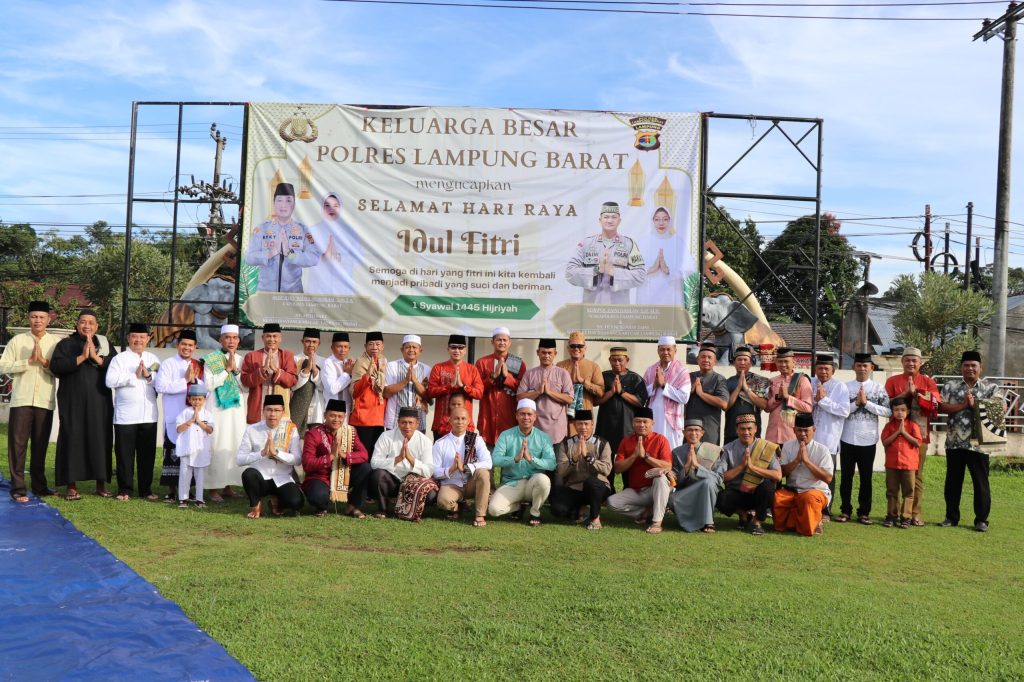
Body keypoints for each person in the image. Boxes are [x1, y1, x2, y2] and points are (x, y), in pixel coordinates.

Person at [50, 309, 116, 500]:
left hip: (100, 400)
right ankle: (71, 485)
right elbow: (56, 367)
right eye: (83, 322)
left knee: (100, 438)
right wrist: (81, 357)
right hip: (72, 400)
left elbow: (115, 367)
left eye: (91, 323)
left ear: (97, 326)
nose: (86, 326)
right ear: (77, 324)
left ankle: (101, 483)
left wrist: (95, 357)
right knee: (72, 437)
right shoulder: (66, 344)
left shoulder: (104, 343)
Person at [0, 301, 58, 502]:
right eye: (34, 316)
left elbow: (59, 370)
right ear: (28, 318)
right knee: (17, 445)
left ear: (48, 319)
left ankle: (40, 486)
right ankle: (18, 488)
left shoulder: (55, 342)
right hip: (21, 400)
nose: (38, 320)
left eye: (42, 317)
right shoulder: (17, 341)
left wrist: (43, 362)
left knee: (40, 444)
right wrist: (28, 362)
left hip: (44, 400)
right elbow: (3, 366)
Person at [938, 350, 1002, 532]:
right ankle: (951, 517)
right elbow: (942, 406)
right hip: (954, 441)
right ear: (961, 367)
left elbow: (1000, 406)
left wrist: (975, 405)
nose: (970, 368)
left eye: (974, 365)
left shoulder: (991, 388)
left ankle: (981, 520)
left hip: (979, 445)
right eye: (966, 365)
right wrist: (963, 406)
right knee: (952, 481)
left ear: (980, 368)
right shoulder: (950, 386)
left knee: (981, 482)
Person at [884, 346, 939, 527]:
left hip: (919, 437)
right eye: (907, 360)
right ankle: (892, 514)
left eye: (914, 360)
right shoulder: (893, 380)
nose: (911, 363)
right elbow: (886, 405)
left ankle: (914, 514)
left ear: (920, 363)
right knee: (893, 477)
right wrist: (905, 394)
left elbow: (936, 403)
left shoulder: (927, 382)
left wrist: (917, 394)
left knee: (917, 475)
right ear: (902, 362)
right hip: (894, 437)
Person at [104, 322, 160, 501]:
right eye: (135, 337)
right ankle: (125, 490)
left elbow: (160, 382)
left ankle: (146, 489)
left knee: (147, 455)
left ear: (147, 339)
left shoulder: (154, 359)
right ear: (128, 338)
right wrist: (133, 376)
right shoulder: (119, 359)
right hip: (125, 416)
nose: (138, 340)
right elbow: (109, 380)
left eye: (142, 337)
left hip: (149, 415)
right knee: (124, 455)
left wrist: (149, 375)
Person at [837, 352, 890, 524]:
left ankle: (864, 512)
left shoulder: (878, 388)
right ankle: (845, 510)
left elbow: (888, 411)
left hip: (868, 439)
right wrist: (856, 404)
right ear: (853, 367)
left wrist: (867, 403)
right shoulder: (844, 387)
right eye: (858, 365)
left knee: (866, 477)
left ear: (871, 368)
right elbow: (841, 410)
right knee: (846, 476)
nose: (862, 369)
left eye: (865, 366)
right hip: (847, 438)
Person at [489, 399, 557, 526]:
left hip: (533, 482)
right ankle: (518, 507)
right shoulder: (506, 435)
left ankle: (535, 512)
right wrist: (514, 459)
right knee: (494, 510)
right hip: (512, 482)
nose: (526, 417)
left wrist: (532, 459)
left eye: (529, 414)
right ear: (516, 416)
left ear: (535, 417)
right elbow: (495, 460)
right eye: (522, 414)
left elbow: (552, 464)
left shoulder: (543, 438)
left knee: (543, 480)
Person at [155, 329, 205, 502]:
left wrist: (194, 381)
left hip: (192, 416)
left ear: (195, 347)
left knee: (190, 451)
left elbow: (203, 390)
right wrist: (184, 380)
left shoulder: (198, 365)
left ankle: (187, 490)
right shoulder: (168, 364)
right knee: (173, 452)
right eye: (184, 344)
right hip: (174, 414)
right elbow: (161, 387)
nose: (187, 348)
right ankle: (171, 489)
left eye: (190, 345)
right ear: (178, 345)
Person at [606, 407, 672, 534]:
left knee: (661, 478)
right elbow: (618, 468)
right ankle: (646, 512)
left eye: (645, 422)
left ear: (652, 424)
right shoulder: (626, 441)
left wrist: (645, 457)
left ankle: (656, 523)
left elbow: (667, 466)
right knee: (612, 503)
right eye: (638, 421)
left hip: (656, 489)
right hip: (637, 491)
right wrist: (634, 456)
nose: (641, 425)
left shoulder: (660, 440)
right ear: (632, 423)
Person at [565, 201, 646, 304]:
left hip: (619, 312)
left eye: (614, 217)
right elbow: (569, 273)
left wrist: (613, 271)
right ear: (600, 220)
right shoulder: (586, 244)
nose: (610, 220)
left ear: (619, 221)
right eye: (606, 217)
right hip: (591, 310)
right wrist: (597, 270)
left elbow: (640, 275)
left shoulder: (629, 244)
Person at [201, 324, 247, 503]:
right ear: (220, 340)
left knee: (234, 443)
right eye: (227, 337)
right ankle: (213, 488)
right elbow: (208, 385)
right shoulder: (211, 359)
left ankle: (228, 486)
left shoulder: (242, 359)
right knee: (217, 444)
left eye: (234, 338)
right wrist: (226, 369)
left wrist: (235, 371)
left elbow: (245, 386)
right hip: (217, 409)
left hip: (236, 410)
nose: (231, 341)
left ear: (239, 340)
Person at [236, 394, 303, 518]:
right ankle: (255, 505)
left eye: (277, 410)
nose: (272, 414)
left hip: (282, 478)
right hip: (262, 479)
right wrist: (261, 453)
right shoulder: (252, 429)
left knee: (296, 503)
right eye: (269, 410)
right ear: (263, 411)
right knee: (248, 474)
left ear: (283, 412)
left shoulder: (291, 429)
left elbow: (297, 460)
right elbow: (239, 460)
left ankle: (275, 502)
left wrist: (277, 454)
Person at [714, 413, 781, 536]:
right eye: (742, 429)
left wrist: (752, 468)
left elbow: (777, 476)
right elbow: (721, 477)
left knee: (768, 486)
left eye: (749, 429)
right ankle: (744, 515)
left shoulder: (766, 447)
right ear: (737, 430)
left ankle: (757, 522)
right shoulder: (728, 449)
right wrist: (741, 467)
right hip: (737, 493)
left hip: (757, 492)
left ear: (756, 429)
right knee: (718, 496)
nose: (746, 432)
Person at [245, 182, 319, 293]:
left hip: (293, 295)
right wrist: (271, 252)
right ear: (274, 203)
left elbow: (314, 257)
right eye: (279, 200)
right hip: (265, 293)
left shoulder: (303, 230)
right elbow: (249, 258)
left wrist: (290, 254)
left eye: (288, 200)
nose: (283, 205)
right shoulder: (261, 229)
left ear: (294, 204)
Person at [301, 399, 369, 518]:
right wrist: (331, 456)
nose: (336, 420)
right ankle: (322, 506)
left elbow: (364, 454)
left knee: (365, 468)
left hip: (343, 473)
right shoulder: (313, 434)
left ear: (344, 417)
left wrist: (345, 455)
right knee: (317, 497)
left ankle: (353, 506)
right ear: (325, 415)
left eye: (340, 416)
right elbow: (307, 464)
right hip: (321, 477)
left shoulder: (350, 432)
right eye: (332, 416)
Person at [594, 346, 648, 487]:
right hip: (606, 425)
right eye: (614, 360)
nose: (617, 363)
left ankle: (628, 489)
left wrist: (622, 392)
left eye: (620, 360)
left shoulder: (635, 378)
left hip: (627, 426)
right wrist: (611, 392)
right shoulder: (603, 377)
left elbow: (640, 402)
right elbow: (595, 401)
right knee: (607, 457)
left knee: (628, 457)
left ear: (627, 360)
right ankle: (607, 489)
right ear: (609, 360)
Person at [774, 412, 834, 537]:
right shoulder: (787, 446)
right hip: (792, 491)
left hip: (815, 491)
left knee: (807, 499)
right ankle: (810, 520)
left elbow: (828, 478)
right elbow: (781, 474)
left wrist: (807, 461)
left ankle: (813, 520)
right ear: (794, 430)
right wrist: (796, 461)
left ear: (814, 430)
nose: (802, 434)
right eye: (799, 430)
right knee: (778, 498)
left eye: (806, 431)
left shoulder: (822, 450)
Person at [551, 410, 613, 530]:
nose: (583, 427)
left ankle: (595, 518)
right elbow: (561, 471)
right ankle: (581, 508)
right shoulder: (566, 444)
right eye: (580, 424)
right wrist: (574, 459)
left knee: (591, 482)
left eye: (586, 424)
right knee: (557, 509)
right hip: (575, 487)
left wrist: (588, 457)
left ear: (592, 424)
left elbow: (607, 470)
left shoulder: (603, 443)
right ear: (574, 425)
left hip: (598, 487)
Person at [369, 407, 434, 518]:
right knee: (378, 475)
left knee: (431, 495)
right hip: (392, 481)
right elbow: (374, 462)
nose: (407, 426)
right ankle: (383, 509)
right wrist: (397, 459)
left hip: (412, 482)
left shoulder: (425, 441)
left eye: (410, 423)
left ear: (417, 424)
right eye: (403, 422)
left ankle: (412, 509)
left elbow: (429, 471)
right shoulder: (386, 436)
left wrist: (411, 459)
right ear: (398, 422)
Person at [432, 407, 492, 527]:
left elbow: (488, 462)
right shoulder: (440, 443)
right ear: (450, 420)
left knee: (484, 473)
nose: (460, 422)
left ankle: (480, 514)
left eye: (463, 419)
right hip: (452, 484)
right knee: (443, 502)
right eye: (456, 418)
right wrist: (451, 469)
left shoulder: (476, 440)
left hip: (471, 482)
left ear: (468, 421)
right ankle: (456, 508)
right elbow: (434, 471)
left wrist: (466, 467)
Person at [810, 354, 850, 518]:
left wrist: (823, 400)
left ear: (833, 370)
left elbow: (844, 411)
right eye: (820, 368)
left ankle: (826, 509)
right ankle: (809, 505)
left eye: (826, 369)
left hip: (828, 438)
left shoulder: (840, 387)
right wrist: (814, 400)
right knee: (807, 473)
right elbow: (804, 404)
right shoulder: (810, 382)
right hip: (809, 437)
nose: (823, 372)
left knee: (828, 476)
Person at [302, 191, 363, 296]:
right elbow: (303, 258)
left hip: (342, 289)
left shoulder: (350, 233)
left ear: (341, 208)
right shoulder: (312, 231)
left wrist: (340, 258)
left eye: (335, 205)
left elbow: (359, 258)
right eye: (327, 205)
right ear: (321, 208)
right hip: (318, 288)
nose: (331, 209)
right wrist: (322, 258)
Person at [516, 339, 574, 447]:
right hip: (535, 426)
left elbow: (569, 399)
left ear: (555, 354)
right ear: (538, 352)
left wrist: (549, 392)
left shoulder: (563, 373)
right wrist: (537, 392)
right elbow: (519, 397)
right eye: (543, 352)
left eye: (549, 353)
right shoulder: (530, 373)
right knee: (535, 462)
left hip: (557, 428)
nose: (546, 356)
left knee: (556, 462)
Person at [668, 420, 723, 533]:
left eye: (696, 430)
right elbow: (676, 483)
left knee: (708, 483)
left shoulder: (713, 450)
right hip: (688, 491)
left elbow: (718, 479)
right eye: (690, 430)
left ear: (702, 432)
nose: (693, 433)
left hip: (707, 490)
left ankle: (709, 522)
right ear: (684, 432)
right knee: (672, 500)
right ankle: (695, 522)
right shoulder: (676, 452)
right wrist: (687, 467)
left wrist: (697, 466)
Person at [427, 334, 484, 440]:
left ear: (465, 350)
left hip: (466, 426)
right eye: (453, 347)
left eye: (460, 347)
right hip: (442, 425)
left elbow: (479, 393)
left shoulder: (472, 370)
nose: (457, 350)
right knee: (441, 456)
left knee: (466, 456)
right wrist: (449, 386)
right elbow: (430, 391)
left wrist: (464, 387)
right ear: (448, 349)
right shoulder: (438, 368)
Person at [475, 326, 525, 447]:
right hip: (488, 414)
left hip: (509, 415)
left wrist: (507, 377)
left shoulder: (518, 362)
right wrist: (493, 377)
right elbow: (478, 390)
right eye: (498, 340)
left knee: (509, 453)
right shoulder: (482, 362)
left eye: (504, 340)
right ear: (492, 342)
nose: (502, 343)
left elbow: (523, 390)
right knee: (488, 457)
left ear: (510, 342)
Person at [240, 323, 298, 424]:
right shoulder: (251, 356)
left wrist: (276, 370)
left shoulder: (287, 356)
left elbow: (292, 380)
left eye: (275, 336)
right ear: (263, 338)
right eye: (268, 336)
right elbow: (245, 380)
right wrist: (262, 370)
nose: (271, 339)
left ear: (280, 338)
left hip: (280, 409)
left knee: (278, 439)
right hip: (258, 408)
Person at [643, 336, 691, 449]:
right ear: (658, 351)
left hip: (671, 422)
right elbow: (641, 394)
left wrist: (664, 385)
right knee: (652, 448)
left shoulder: (682, 371)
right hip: (653, 418)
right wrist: (654, 385)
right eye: (662, 349)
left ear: (675, 350)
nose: (665, 352)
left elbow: (684, 397)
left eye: (668, 349)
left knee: (670, 451)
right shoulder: (650, 370)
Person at [880, 398, 921, 529]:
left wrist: (904, 433)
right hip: (892, 464)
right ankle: (891, 516)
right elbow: (885, 442)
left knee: (909, 491)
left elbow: (918, 442)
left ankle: (906, 517)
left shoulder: (913, 426)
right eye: (896, 410)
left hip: (909, 465)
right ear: (892, 412)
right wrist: (898, 432)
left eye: (903, 410)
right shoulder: (889, 426)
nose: (900, 413)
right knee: (892, 491)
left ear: (908, 411)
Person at [556, 331, 605, 436]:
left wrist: (583, 381)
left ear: (585, 348)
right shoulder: (560, 366)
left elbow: (601, 392)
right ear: (568, 348)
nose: (576, 349)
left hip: (584, 417)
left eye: (580, 346)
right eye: (573, 346)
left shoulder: (593, 367)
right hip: (564, 414)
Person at [349, 331, 388, 463]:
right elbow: (354, 391)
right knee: (363, 456)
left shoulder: (384, 362)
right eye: (371, 344)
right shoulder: (360, 362)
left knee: (375, 456)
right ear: (365, 346)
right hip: (363, 418)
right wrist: (368, 376)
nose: (374, 347)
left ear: (382, 346)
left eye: (378, 344)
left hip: (379, 416)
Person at [175, 384, 214, 509]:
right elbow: (178, 429)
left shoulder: (208, 414)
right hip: (187, 449)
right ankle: (183, 499)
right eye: (194, 399)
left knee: (200, 476)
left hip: (201, 450)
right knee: (185, 475)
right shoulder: (185, 413)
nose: (196, 402)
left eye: (199, 399)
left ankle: (199, 499)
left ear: (204, 400)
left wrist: (199, 422)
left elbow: (210, 429)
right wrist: (190, 421)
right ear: (189, 399)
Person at [636, 206, 685, 306]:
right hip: (647, 296)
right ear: (652, 221)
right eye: (657, 219)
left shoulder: (678, 242)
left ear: (670, 221)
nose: (661, 223)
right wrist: (651, 269)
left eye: (665, 219)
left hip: (671, 296)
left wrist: (667, 270)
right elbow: (632, 270)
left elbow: (689, 269)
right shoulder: (643, 242)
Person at [382, 334, 431, 432]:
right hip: (394, 420)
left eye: (414, 347)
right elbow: (385, 393)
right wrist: (405, 381)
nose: (411, 350)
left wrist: (415, 381)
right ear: (402, 350)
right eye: (408, 347)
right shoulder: (392, 366)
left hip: (418, 421)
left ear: (420, 350)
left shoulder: (427, 369)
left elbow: (429, 398)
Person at [765, 347, 813, 445]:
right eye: (780, 362)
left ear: (793, 362)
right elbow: (767, 408)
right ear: (776, 363)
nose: (783, 365)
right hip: (772, 435)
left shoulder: (802, 380)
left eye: (786, 361)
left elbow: (808, 408)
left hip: (792, 436)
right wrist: (778, 397)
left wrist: (788, 397)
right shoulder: (772, 381)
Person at [686, 343, 730, 445]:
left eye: (709, 358)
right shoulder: (688, 377)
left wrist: (701, 394)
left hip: (709, 429)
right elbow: (679, 400)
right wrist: (690, 392)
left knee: (709, 458)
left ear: (715, 361)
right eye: (703, 357)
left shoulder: (719, 379)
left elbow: (724, 404)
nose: (706, 360)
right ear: (697, 360)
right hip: (689, 428)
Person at [723, 346, 768, 445]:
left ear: (751, 363)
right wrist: (738, 387)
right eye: (739, 360)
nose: (742, 363)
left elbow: (764, 405)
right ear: (734, 363)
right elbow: (725, 406)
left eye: (745, 360)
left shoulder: (760, 380)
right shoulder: (727, 382)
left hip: (752, 432)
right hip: (731, 430)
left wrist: (746, 389)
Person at [290, 328, 325, 435]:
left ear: (319, 343)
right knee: (295, 441)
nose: (311, 345)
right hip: (297, 406)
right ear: (302, 342)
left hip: (317, 409)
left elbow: (323, 387)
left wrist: (314, 369)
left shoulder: (324, 361)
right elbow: (293, 386)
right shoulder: (294, 359)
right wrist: (306, 370)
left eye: (314, 342)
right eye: (308, 341)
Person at [322, 331, 355, 414]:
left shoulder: (349, 363)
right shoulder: (328, 363)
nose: (342, 350)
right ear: (332, 348)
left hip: (347, 409)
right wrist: (347, 374)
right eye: (339, 346)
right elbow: (332, 389)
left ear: (349, 348)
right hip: (333, 410)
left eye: (345, 347)